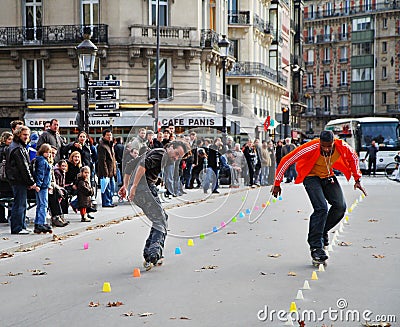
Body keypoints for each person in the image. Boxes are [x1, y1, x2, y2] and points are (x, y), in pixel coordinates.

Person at [271, 130, 367, 265]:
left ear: (333, 143)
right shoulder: (311, 147)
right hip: (311, 177)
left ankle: (322, 231)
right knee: (321, 208)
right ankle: (316, 246)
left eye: (329, 146)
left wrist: (357, 179)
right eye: (324, 146)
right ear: (320, 143)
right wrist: (277, 183)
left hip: (328, 176)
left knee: (340, 206)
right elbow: (287, 160)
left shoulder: (342, 146)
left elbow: (354, 158)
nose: (327, 149)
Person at [120, 141, 190, 270]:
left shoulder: (157, 153)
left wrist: (126, 185)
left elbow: (130, 166)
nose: (175, 158)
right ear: (170, 147)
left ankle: (150, 253)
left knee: (160, 218)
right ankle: (153, 254)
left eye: (178, 157)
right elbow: (142, 165)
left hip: (141, 190)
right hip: (144, 189)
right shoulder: (162, 154)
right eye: (175, 154)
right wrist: (133, 186)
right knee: (161, 220)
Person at [5, 126, 36, 234]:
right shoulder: (17, 148)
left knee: (21, 203)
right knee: (19, 204)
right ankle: (17, 228)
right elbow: (23, 167)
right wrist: (31, 182)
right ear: (18, 134)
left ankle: (21, 226)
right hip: (18, 180)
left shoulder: (17, 146)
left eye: (27, 135)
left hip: (18, 179)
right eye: (24, 135)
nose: (27, 137)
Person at [32, 143, 53, 234]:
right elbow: (41, 174)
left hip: (44, 185)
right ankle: (41, 222)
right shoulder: (43, 161)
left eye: (49, 152)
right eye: (46, 152)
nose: (48, 154)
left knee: (40, 204)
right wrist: (39, 185)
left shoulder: (40, 160)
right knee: (43, 204)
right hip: (43, 186)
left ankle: (38, 222)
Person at [97, 129, 117, 207]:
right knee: (106, 188)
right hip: (106, 172)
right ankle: (106, 202)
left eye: (110, 135)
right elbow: (102, 161)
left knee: (112, 187)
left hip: (111, 171)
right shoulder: (102, 146)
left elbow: (113, 159)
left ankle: (110, 201)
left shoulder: (110, 145)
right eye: (107, 135)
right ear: (104, 136)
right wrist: (106, 173)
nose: (109, 136)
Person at [0, 131, 13, 223]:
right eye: (9, 139)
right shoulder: (7, 150)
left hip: (2, 177)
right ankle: (10, 216)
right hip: (7, 176)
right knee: (11, 197)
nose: (11, 141)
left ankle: (2, 217)